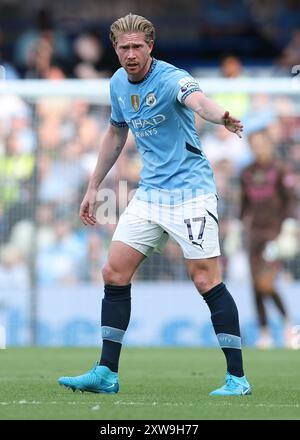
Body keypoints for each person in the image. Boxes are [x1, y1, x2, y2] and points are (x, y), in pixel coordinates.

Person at [58, 13, 251, 396]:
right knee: (114, 271)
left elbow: (198, 101)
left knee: (205, 279)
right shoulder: (117, 84)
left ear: (150, 46)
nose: (130, 54)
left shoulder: (172, 78)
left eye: (137, 47)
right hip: (150, 195)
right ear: (114, 49)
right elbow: (115, 133)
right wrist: (94, 185)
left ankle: (237, 379)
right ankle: (106, 373)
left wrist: (221, 117)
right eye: (123, 47)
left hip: (191, 192)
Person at [240, 123, 297, 348]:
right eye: (254, 145)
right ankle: (265, 332)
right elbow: (243, 204)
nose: (258, 148)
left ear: (269, 145)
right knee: (255, 285)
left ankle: (288, 323)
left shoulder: (281, 170)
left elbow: (291, 200)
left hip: (275, 234)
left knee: (266, 283)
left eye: (262, 144)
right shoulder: (247, 172)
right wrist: (236, 226)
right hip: (253, 234)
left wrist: (290, 226)